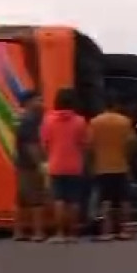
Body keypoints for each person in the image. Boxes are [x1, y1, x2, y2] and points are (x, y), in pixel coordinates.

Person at [40, 88, 89, 243]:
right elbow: (84, 144)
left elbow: (45, 143)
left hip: (56, 164)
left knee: (59, 200)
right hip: (75, 165)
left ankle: (60, 233)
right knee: (73, 201)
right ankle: (72, 234)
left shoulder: (48, 120)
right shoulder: (80, 121)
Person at [89, 99, 137, 241]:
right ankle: (125, 231)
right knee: (124, 200)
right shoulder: (124, 121)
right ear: (116, 105)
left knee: (105, 200)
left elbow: (89, 145)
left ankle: (106, 232)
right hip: (121, 165)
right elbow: (132, 142)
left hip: (102, 167)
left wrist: (92, 162)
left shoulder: (95, 122)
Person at [12, 90, 47, 242]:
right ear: (28, 103)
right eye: (38, 100)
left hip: (22, 163)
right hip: (30, 165)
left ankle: (18, 232)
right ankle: (38, 232)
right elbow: (31, 144)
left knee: (22, 201)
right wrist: (40, 163)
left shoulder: (22, 119)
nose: (41, 104)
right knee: (36, 200)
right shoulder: (30, 120)